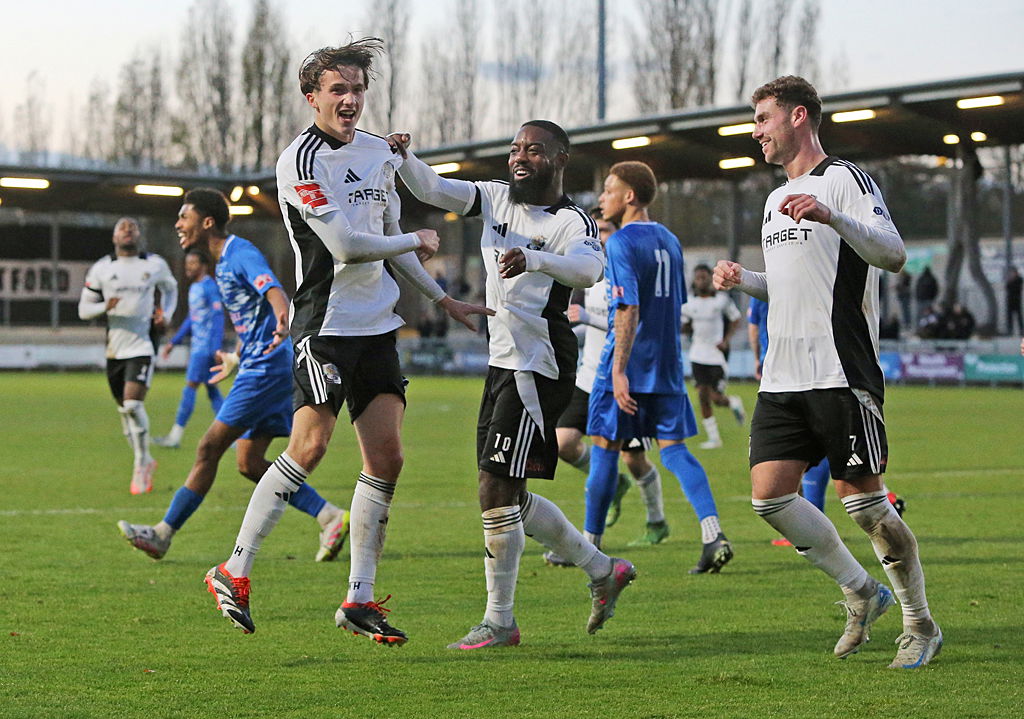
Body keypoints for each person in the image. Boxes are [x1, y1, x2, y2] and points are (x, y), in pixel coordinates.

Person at [205, 40, 490, 642]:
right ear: (312, 98)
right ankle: (234, 569)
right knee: (310, 447)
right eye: (338, 90)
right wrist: (415, 241)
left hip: (377, 327)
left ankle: (358, 599)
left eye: (357, 89)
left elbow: (385, 235)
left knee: (387, 458)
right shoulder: (300, 162)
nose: (350, 100)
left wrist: (442, 300)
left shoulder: (378, 153)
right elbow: (347, 247)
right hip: (324, 326)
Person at [714, 76, 941, 668]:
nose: (755, 131)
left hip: (841, 368)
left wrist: (833, 215)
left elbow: (893, 254)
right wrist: (747, 283)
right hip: (783, 376)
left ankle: (920, 625)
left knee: (864, 506)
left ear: (797, 117)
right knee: (769, 499)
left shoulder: (846, 178)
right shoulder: (772, 199)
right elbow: (792, 287)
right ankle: (862, 592)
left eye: (762, 118)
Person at [390, 119, 635, 649]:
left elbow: (588, 273)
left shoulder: (574, 221)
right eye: (516, 148)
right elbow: (433, 189)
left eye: (535, 150)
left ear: (561, 159)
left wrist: (535, 257)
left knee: (493, 488)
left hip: (539, 363)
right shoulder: (495, 197)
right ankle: (601, 569)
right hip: (505, 361)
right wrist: (404, 158)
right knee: (509, 494)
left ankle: (500, 621)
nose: (521, 157)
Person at [117, 188, 348, 564]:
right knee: (249, 462)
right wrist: (237, 356)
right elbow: (251, 316)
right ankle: (329, 516)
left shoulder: (240, 254)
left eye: (184, 217)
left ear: (207, 222)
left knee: (209, 447)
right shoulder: (220, 262)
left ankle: (162, 534)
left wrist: (280, 317)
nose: (178, 224)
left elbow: (273, 291)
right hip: (260, 365)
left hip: (265, 370)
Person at [585, 162, 733, 575]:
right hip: (667, 367)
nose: (602, 198)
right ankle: (713, 533)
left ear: (629, 196)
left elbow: (628, 307)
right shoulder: (670, 240)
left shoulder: (619, 243)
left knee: (605, 450)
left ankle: (590, 552)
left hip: (630, 366)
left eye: (609, 190)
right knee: (676, 452)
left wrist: (618, 370)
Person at [548, 208, 669, 564]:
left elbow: (632, 322)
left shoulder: (627, 267)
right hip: (589, 376)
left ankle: (656, 521)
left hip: (623, 377)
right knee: (564, 444)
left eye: (605, 230)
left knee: (633, 457)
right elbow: (593, 325)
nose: (599, 237)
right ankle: (612, 490)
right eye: (596, 230)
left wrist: (586, 318)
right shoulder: (592, 272)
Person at [78, 217, 177, 495]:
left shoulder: (154, 264)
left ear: (139, 236)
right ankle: (144, 458)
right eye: (121, 228)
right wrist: (104, 308)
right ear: (114, 237)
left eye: (132, 227)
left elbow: (171, 289)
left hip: (143, 345)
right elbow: (84, 310)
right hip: (114, 349)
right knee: (125, 413)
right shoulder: (102, 268)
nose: (127, 230)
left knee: (133, 405)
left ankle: (140, 463)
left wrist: (165, 315)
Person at [153, 248, 225, 449]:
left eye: (193, 263)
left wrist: (216, 349)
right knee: (213, 392)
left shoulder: (209, 287)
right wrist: (173, 342)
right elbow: (191, 321)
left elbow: (219, 317)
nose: (188, 266)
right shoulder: (195, 288)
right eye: (187, 263)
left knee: (190, 387)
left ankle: (175, 436)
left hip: (205, 349)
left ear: (204, 265)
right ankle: (237, 436)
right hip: (200, 347)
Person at [681, 263, 746, 449]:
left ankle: (733, 402)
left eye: (704, 276)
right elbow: (685, 326)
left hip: (716, 355)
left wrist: (726, 340)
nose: (701, 280)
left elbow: (735, 318)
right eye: (698, 277)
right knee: (702, 394)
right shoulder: (689, 303)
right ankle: (714, 438)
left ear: (710, 278)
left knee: (716, 398)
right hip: (697, 354)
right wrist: (682, 327)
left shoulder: (722, 300)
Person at [1004, 266, 1021, 335]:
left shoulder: (1019, 279)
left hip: (1016, 300)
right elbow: (1007, 288)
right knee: (1009, 317)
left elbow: (1015, 288)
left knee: (1019, 316)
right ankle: (1009, 330)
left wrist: (1011, 280)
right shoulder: (1009, 280)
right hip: (1010, 301)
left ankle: (1021, 330)